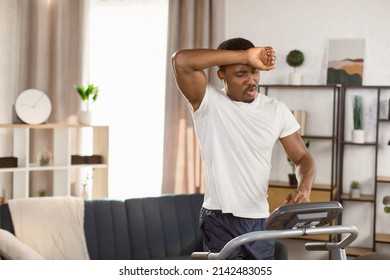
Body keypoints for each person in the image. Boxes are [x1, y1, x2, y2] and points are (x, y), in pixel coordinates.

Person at [171, 37, 316, 259]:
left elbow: (303, 158)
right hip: (219, 219)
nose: (251, 80)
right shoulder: (208, 102)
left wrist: (304, 188)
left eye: (255, 71)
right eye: (241, 74)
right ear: (222, 75)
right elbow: (181, 60)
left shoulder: (276, 110)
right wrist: (247, 55)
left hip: (259, 219)